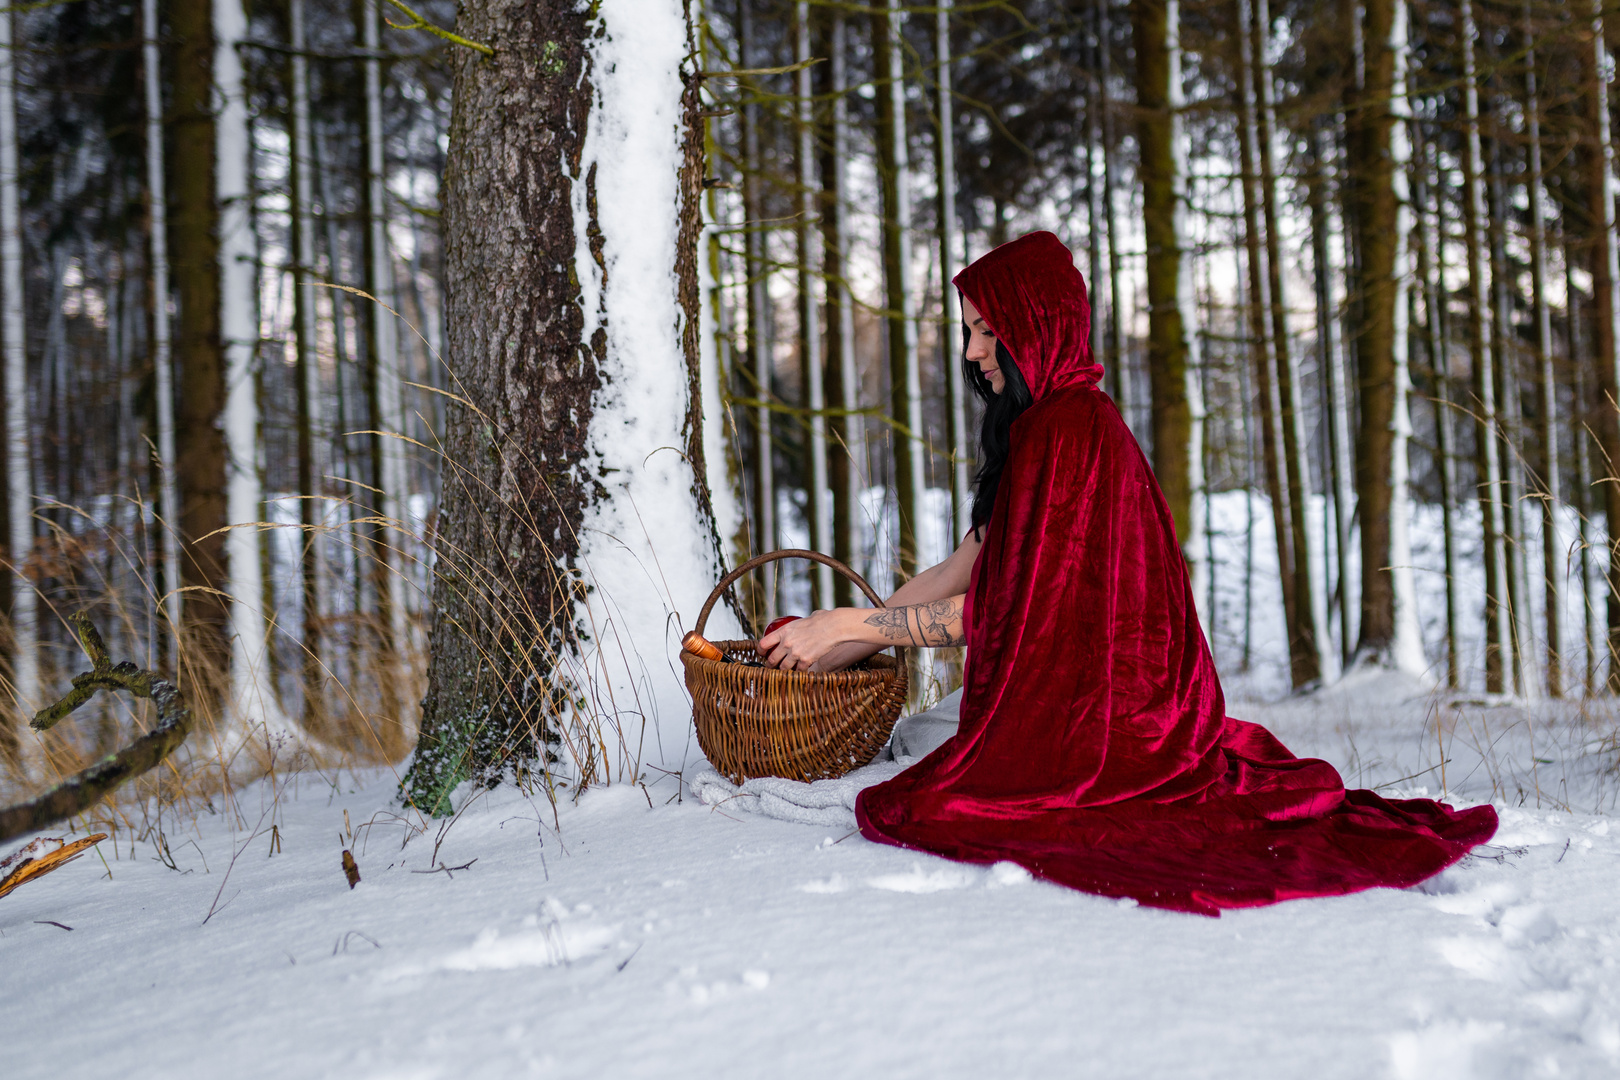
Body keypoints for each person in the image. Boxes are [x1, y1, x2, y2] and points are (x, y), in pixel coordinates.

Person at [757, 230, 1497, 916]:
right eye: (971, 329)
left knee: (930, 767)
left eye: (990, 330)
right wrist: (839, 646)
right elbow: (965, 567)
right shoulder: (1039, 426)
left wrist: (849, 624)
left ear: (1037, 327)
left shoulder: (1072, 431)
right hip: (1074, 698)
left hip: (1116, 719)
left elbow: (1000, 613)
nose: (976, 351)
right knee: (921, 741)